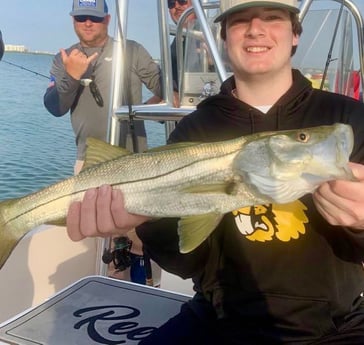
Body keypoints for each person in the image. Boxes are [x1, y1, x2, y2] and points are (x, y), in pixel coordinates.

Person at [65, 0, 364, 343]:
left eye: (272, 18)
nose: (255, 29)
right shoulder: (195, 130)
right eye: (240, 21)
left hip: (337, 328)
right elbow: (187, 262)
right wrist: (143, 220)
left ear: (295, 33)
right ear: (224, 36)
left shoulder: (349, 122)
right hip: (218, 319)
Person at [44, 0, 162, 174]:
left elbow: (166, 89)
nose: (88, 23)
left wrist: (141, 111)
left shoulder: (132, 50)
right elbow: (55, 108)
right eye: (81, 17)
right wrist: (72, 77)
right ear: (73, 20)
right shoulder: (63, 59)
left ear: (107, 20)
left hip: (134, 159)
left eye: (95, 17)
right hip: (89, 161)